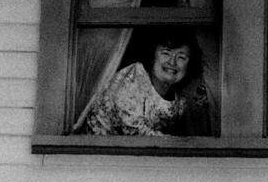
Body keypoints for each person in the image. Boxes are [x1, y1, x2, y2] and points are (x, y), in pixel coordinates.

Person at [74, 29, 214, 136]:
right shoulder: (133, 77)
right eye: (166, 53)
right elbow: (132, 129)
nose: (172, 62)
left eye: (181, 57)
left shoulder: (180, 99)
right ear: (152, 56)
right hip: (98, 153)